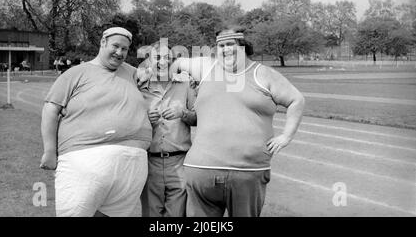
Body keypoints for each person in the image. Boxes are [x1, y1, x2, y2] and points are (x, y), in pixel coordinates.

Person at [168, 26, 305, 217]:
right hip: (201, 170)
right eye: (220, 45)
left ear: (243, 46)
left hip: (247, 171)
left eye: (230, 44)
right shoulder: (206, 67)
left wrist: (286, 136)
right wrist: (151, 73)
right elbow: (174, 62)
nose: (225, 49)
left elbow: (296, 100)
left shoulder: (263, 74)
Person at [40, 27, 152, 217]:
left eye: (124, 49)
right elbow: (50, 110)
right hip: (84, 160)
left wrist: (146, 71)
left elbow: (157, 70)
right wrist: (50, 152)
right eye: (115, 46)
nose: (119, 53)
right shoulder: (75, 73)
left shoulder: (132, 73)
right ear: (102, 43)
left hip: (131, 168)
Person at [139, 42, 197, 217]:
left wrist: (183, 113)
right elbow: (127, 123)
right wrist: (145, 120)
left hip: (179, 161)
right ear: (149, 60)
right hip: (149, 162)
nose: (163, 62)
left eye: (168, 58)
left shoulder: (186, 85)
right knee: (151, 215)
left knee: (177, 216)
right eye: (158, 57)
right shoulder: (139, 89)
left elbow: (199, 118)